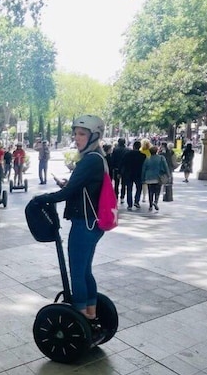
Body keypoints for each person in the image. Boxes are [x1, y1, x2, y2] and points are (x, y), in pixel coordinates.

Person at [31, 115, 107, 334]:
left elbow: (68, 193)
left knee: (77, 272)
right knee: (84, 271)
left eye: (82, 134)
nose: (77, 138)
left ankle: (81, 317)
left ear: (94, 136)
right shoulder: (97, 158)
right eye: (76, 133)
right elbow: (79, 187)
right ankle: (91, 313)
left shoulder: (90, 159)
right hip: (93, 223)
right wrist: (68, 184)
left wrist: (41, 199)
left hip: (84, 223)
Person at [140, 145, 169, 211]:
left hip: (149, 177)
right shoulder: (161, 158)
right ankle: (155, 202)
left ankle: (150, 205)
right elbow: (166, 166)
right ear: (156, 151)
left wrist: (143, 178)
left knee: (150, 191)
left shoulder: (147, 159)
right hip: (158, 177)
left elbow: (144, 169)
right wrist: (168, 175)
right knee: (157, 191)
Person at [121, 140, 147, 210]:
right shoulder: (143, 156)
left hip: (128, 174)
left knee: (129, 189)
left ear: (133, 146)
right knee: (139, 188)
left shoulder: (127, 154)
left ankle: (129, 204)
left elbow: (123, 163)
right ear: (139, 147)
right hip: (138, 174)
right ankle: (136, 201)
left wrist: (121, 173)